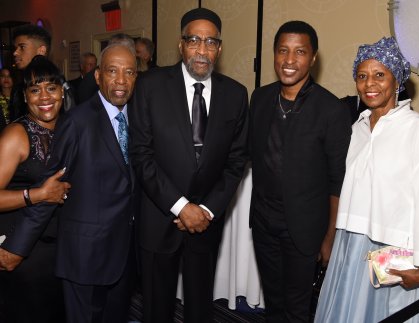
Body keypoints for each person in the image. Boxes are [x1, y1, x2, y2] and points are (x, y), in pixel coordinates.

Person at [0, 43, 139, 323]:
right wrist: (17, 247)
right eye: (112, 71)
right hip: (76, 250)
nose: (121, 79)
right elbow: (53, 187)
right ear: (98, 76)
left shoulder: (139, 116)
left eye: (130, 72)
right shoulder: (76, 123)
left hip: (119, 249)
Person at [129, 7, 249, 323]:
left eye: (210, 42)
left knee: (200, 309)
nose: (202, 50)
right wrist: (182, 207)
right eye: (194, 40)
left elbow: (236, 162)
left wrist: (206, 210)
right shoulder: (149, 86)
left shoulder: (236, 95)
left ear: (219, 48)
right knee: (156, 309)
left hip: (206, 224)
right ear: (181, 45)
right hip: (159, 219)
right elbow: (142, 155)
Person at [314, 37, 419, 323]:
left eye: (379, 75)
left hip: (394, 248)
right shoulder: (357, 128)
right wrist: (331, 238)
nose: (369, 84)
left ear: (397, 80)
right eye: (362, 76)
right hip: (350, 245)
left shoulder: (417, 130)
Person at [249, 21, 352, 323]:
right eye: (283, 51)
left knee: (297, 309)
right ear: (274, 54)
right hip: (264, 224)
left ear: (313, 58)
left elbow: (337, 182)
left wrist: (329, 238)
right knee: (274, 303)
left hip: (304, 231)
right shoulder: (260, 98)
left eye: (299, 52)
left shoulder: (331, 110)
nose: (289, 60)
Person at [0, 56, 71, 322]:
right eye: (34, 89)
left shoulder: (69, 127)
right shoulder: (16, 135)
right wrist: (38, 194)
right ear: (26, 96)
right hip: (22, 249)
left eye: (51, 88)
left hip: (60, 247)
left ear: (61, 93)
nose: (44, 96)